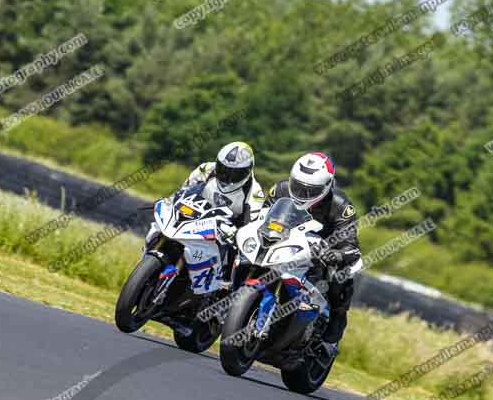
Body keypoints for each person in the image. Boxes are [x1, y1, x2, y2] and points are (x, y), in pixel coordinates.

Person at [263, 152, 361, 360]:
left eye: (311, 190)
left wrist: (335, 253)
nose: (302, 193)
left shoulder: (341, 206)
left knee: (343, 272)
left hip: (319, 255)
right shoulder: (280, 189)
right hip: (281, 246)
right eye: (298, 186)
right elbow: (259, 218)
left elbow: (350, 243)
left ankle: (336, 319)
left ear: (327, 187)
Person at [145, 141, 265, 275]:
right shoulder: (206, 169)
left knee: (238, 263)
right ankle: (147, 257)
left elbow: (249, 228)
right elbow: (182, 192)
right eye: (223, 170)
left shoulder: (255, 194)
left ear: (247, 171)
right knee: (159, 227)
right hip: (195, 216)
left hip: (222, 234)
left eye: (235, 174)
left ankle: (222, 287)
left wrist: (235, 233)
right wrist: (170, 202)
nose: (227, 177)